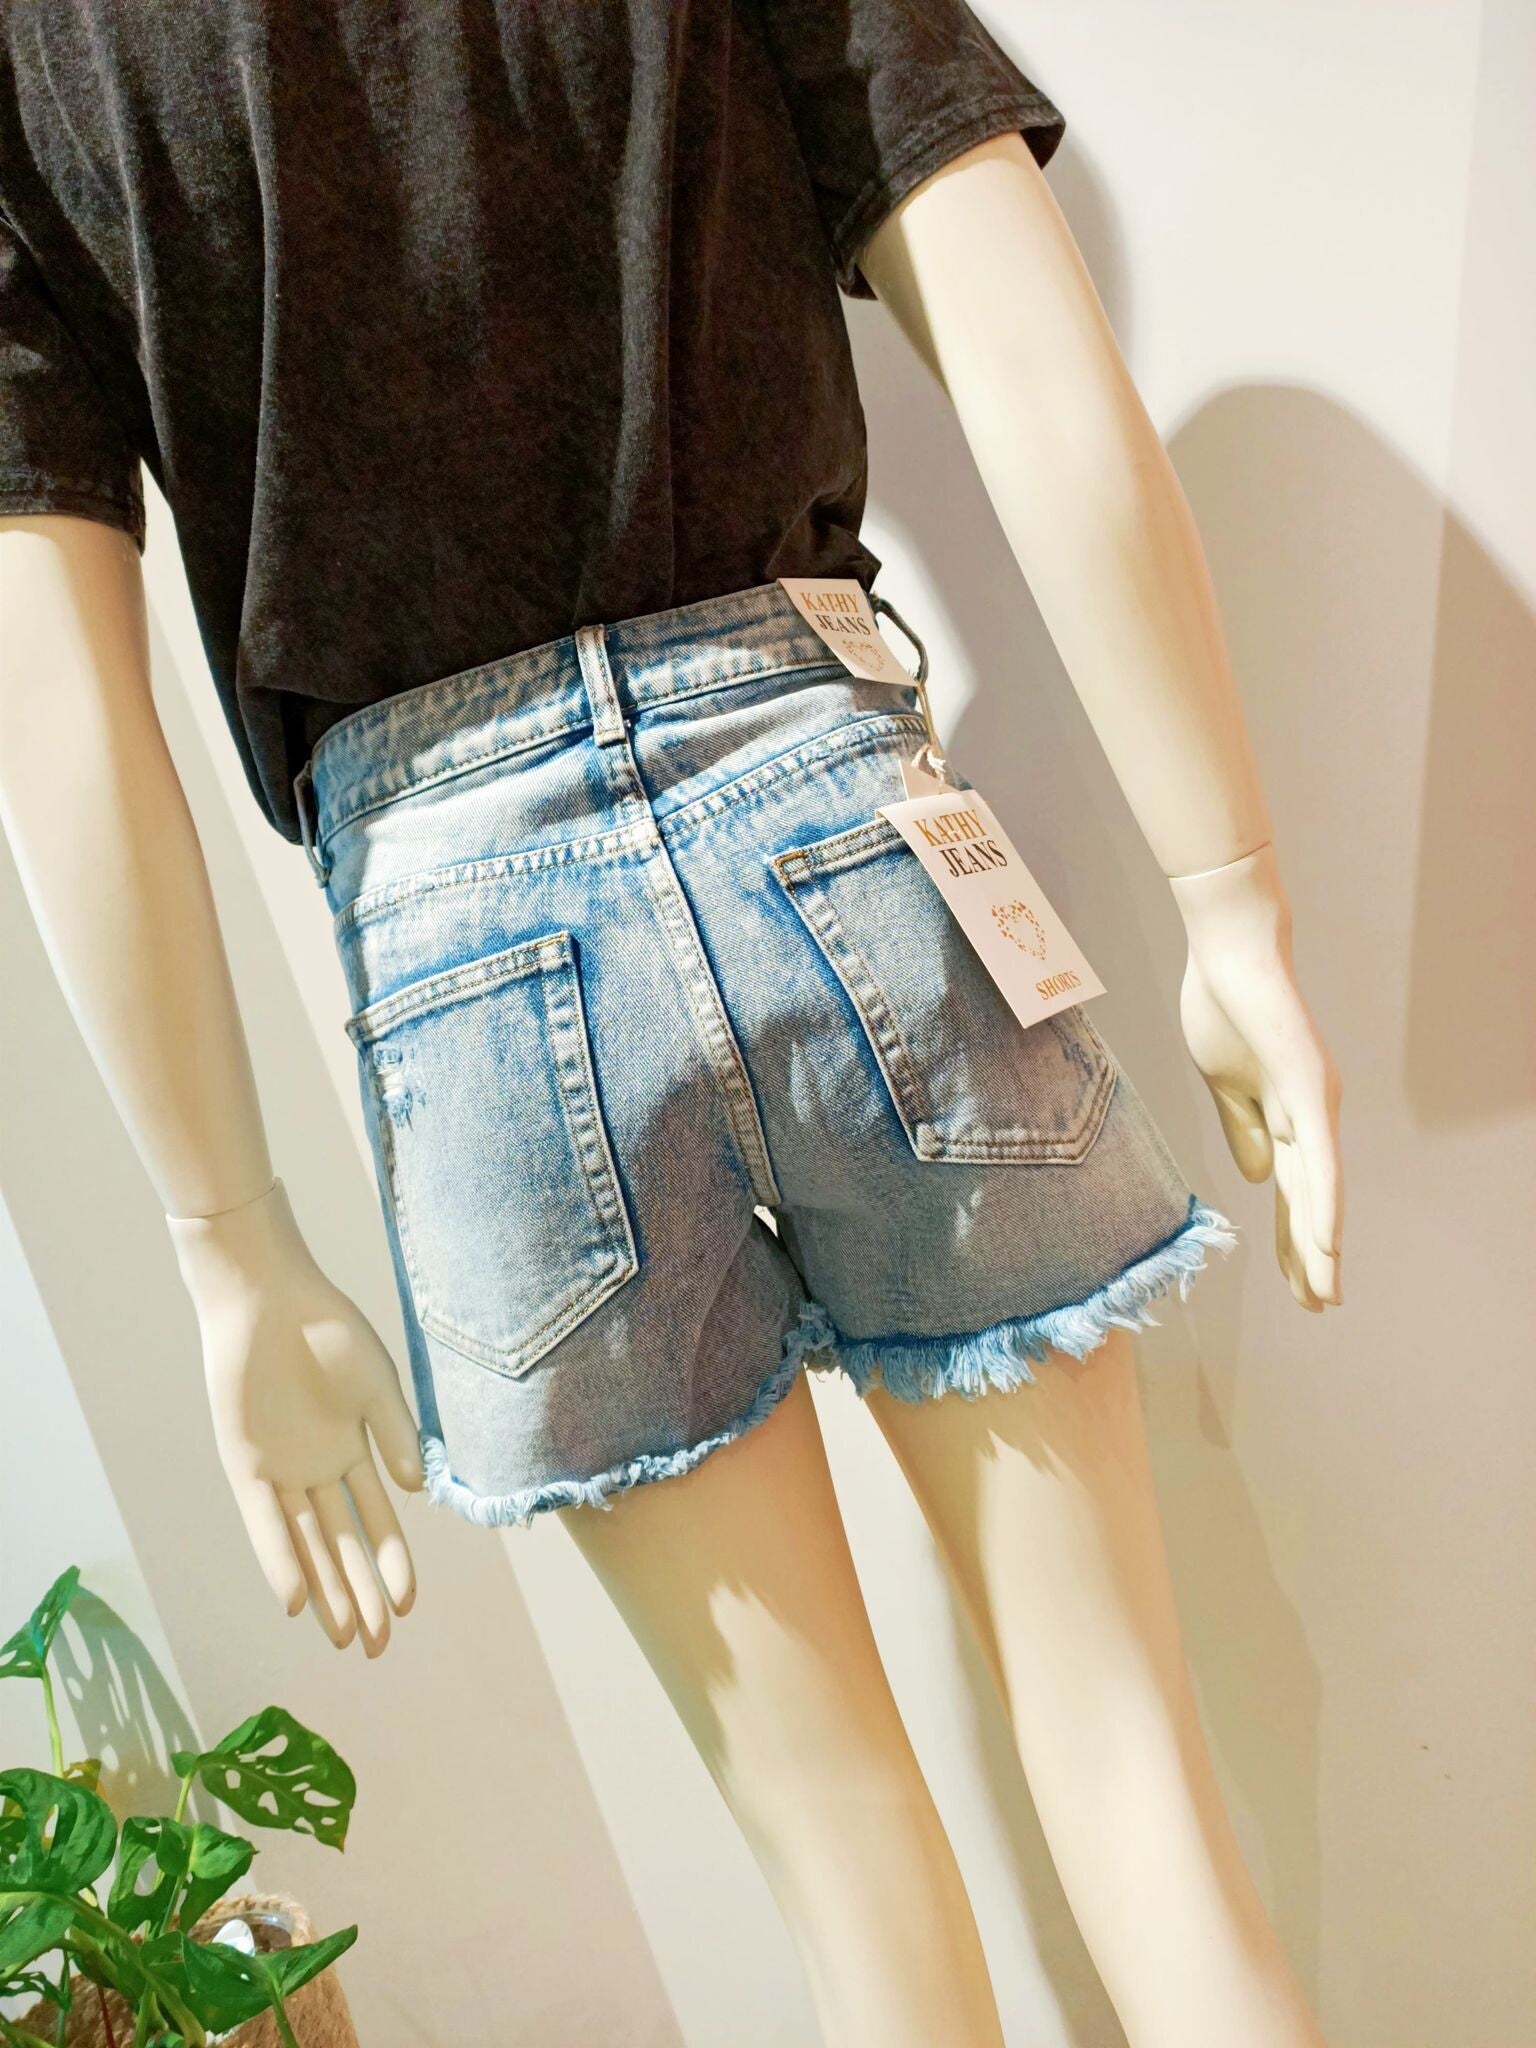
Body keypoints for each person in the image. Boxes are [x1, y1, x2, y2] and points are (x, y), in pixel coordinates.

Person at [0, 3, 1341, 2041]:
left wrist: (229, 1241)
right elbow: (1008, 303)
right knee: (1134, 1769)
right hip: (835, 808)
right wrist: (1228, 896)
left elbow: (54, 700)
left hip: (461, 949)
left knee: (837, 1854)